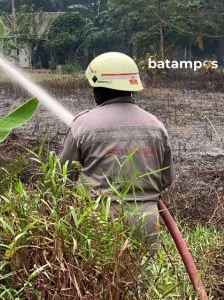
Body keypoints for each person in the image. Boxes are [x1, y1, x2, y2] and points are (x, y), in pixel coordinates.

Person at [60, 52, 174, 250]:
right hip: (147, 220)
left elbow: (63, 176)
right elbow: (166, 179)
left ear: (98, 89)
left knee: (101, 279)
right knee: (143, 277)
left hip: (100, 218)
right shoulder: (156, 126)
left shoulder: (83, 124)